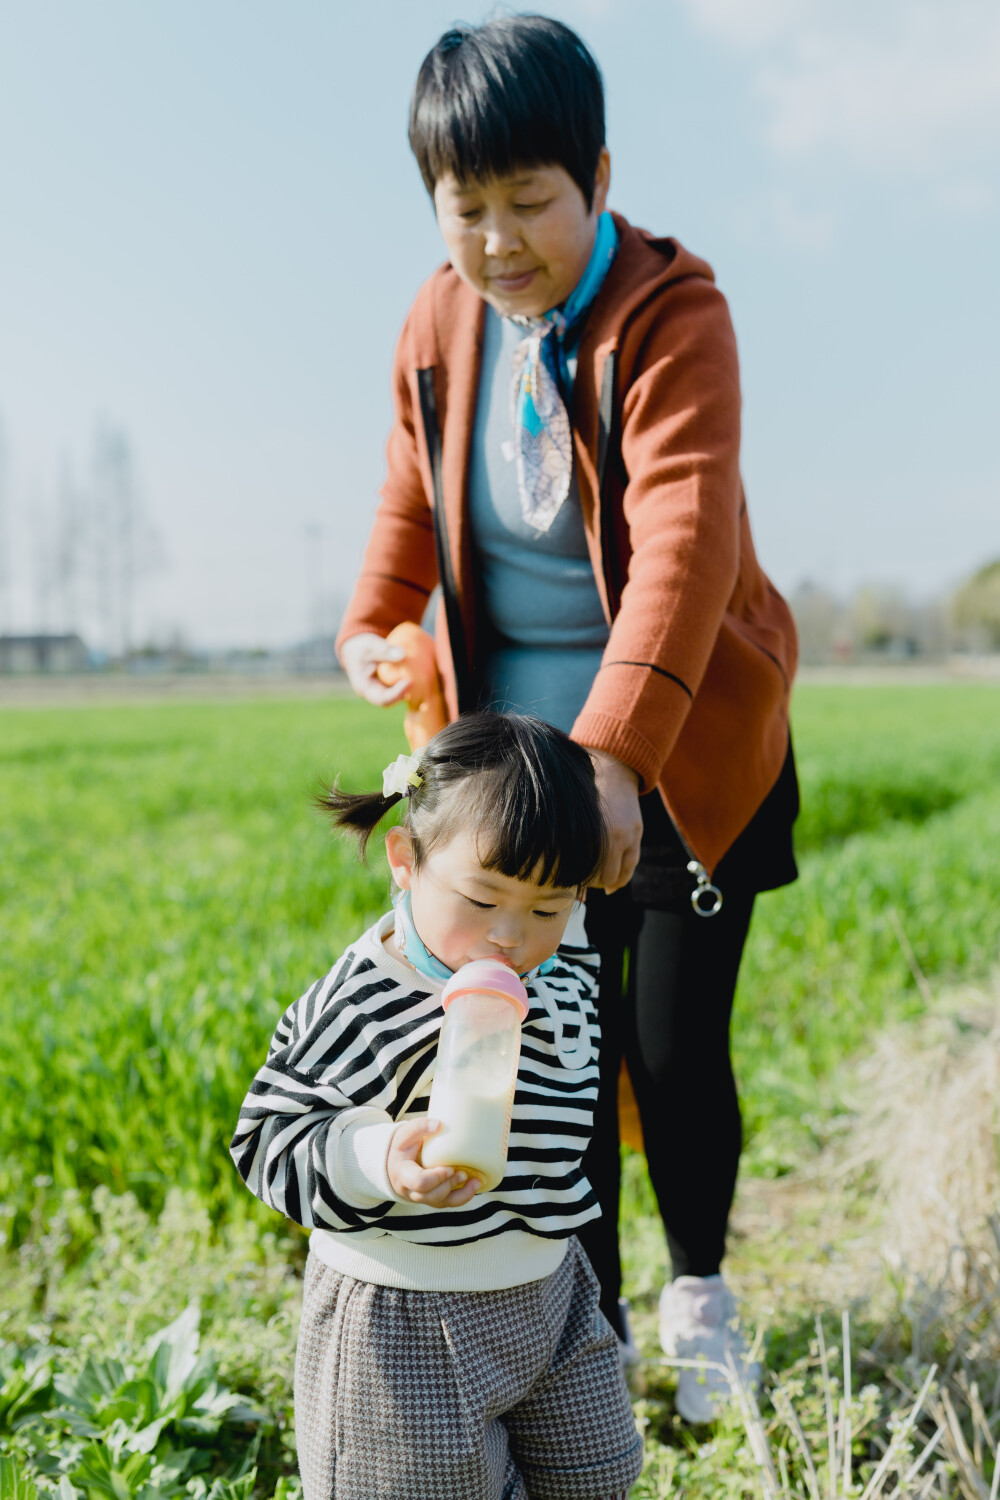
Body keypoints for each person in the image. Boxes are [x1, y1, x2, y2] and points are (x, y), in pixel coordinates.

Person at [336, 15, 799, 1422]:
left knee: (668, 1044)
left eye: (528, 201)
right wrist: (373, 618)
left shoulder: (673, 316)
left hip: (680, 755)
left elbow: (684, 547)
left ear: (597, 176)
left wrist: (616, 764)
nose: (497, 240)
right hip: (516, 786)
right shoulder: (436, 317)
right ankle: (580, 1335)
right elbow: (411, 493)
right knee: (547, 1064)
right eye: (464, 208)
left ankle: (702, 1297)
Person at [231, 712, 643, 1500]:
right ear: (404, 863)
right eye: (481, 900)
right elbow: (269, 1137)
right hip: (405, 1322)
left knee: (598, 1478)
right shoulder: (369, 1000)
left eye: (549, 907)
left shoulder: (560, 954)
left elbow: (550, 891)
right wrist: (377, 1158)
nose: (510, 939)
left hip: (552, 1292)